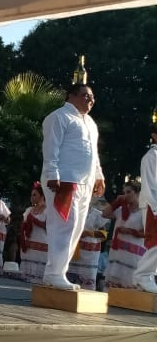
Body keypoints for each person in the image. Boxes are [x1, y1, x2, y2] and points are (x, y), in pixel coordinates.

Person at [39, 83, 105, 289]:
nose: (90, 100)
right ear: (71, 96)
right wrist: (52, 173)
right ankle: (54, 273)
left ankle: (58, 273)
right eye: (85, 95)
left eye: (92, 97)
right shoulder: (58, 117)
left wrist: (99, 176)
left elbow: (94, 153)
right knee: (64, 226)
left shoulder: (90, 123)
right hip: (64, 180)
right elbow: (50, 148)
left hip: (85, 182)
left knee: (76, 228)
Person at [104, 180, 145, 288]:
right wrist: (117, 202)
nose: (126, 195)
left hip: (132, 258)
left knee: (129, 287)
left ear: (137, 193)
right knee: (112, 288)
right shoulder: (121, 209)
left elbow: (149, 233)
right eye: (124, 192)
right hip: (117, 255)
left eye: (129, 192)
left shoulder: (143, 212)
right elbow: (104, 214)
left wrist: (130, 231)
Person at [67, 197, 108, 290]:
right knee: (71, 280)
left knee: (87, 282)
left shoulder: (97, 214)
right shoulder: (73, 212)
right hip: (74, 251)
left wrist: (88, 233)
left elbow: (103, 234)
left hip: (90, 254)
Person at [136, 123, 157, 293]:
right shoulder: (151, 156)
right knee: (155, 241)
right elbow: (149, 186)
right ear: (154, 135)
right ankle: (143, 275)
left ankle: (147, 276)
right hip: (152, 205)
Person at [19, 183, 48, 284]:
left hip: (42, 246)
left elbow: (51, 227)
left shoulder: (48, 211)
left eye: (34, 195)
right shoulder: (28, 210)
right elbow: (22, 226)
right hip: (28, 246)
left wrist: (35, 221)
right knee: (26, 278)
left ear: (42, 196)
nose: (32, 197)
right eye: (31, 195)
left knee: (39, 278)